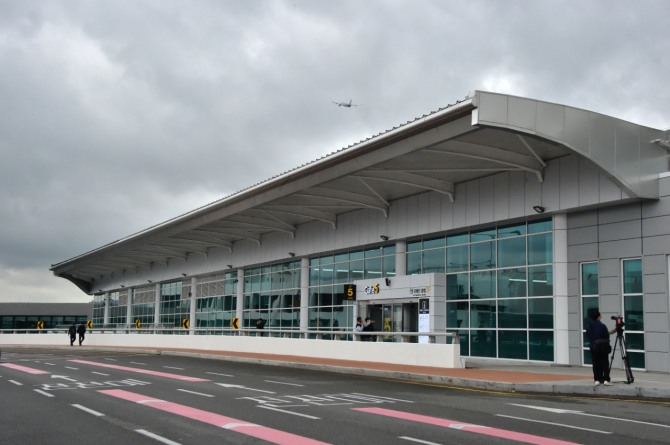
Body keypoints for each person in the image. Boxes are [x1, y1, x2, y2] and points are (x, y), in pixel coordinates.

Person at [586, 309, 616, 386]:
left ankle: (597, 380)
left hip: (594, 347)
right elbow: (606, 335)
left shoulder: (589, 326)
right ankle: (606, 379)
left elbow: (589, 336)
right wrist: (614, 330)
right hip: (603, 347)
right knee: (604, 363)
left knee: (596, 363)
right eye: (600, 316)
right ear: (598, 317)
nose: (601, 317)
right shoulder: (602, 326)